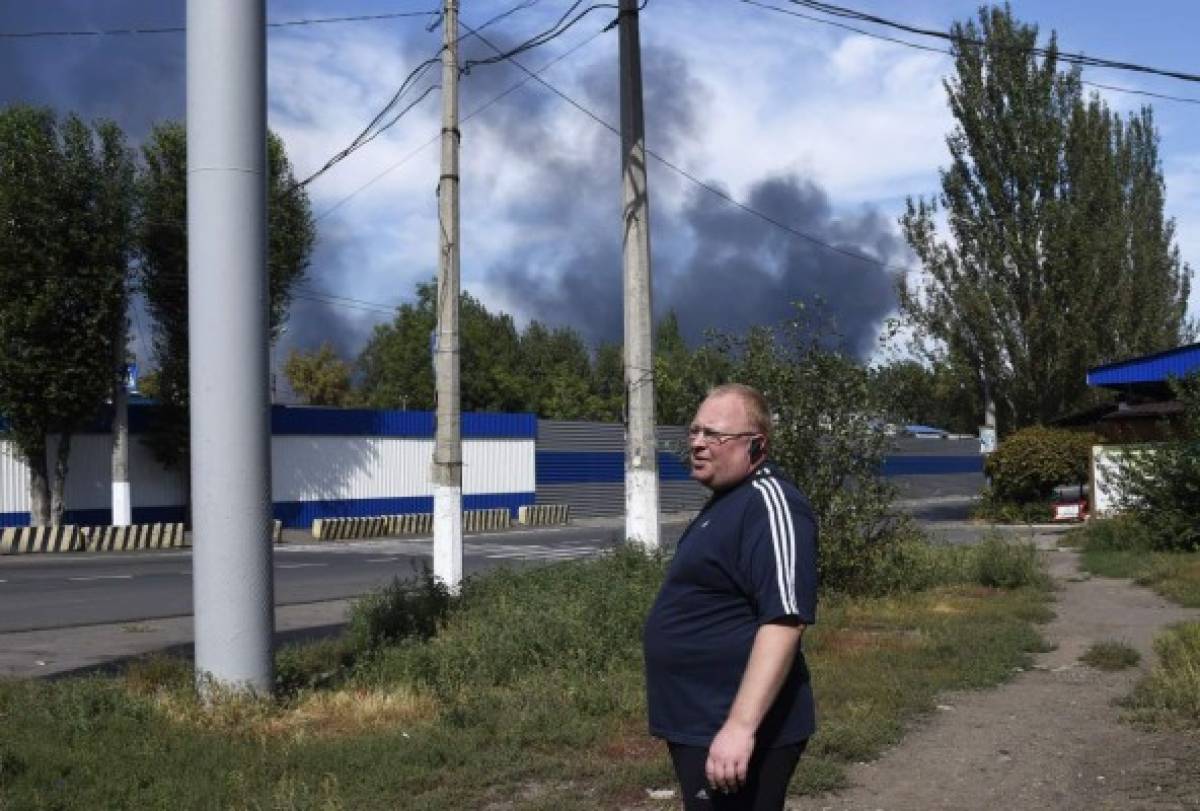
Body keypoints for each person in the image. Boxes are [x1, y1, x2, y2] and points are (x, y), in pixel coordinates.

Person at [643, 383, 818, 811]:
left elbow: (784, 619)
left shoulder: (772, 504)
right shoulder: (727, 502)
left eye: (715, 436)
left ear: (756, 446)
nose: (698, 444)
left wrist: (740, 727)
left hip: (734, 726)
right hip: (700, 720)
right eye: (695, 432)